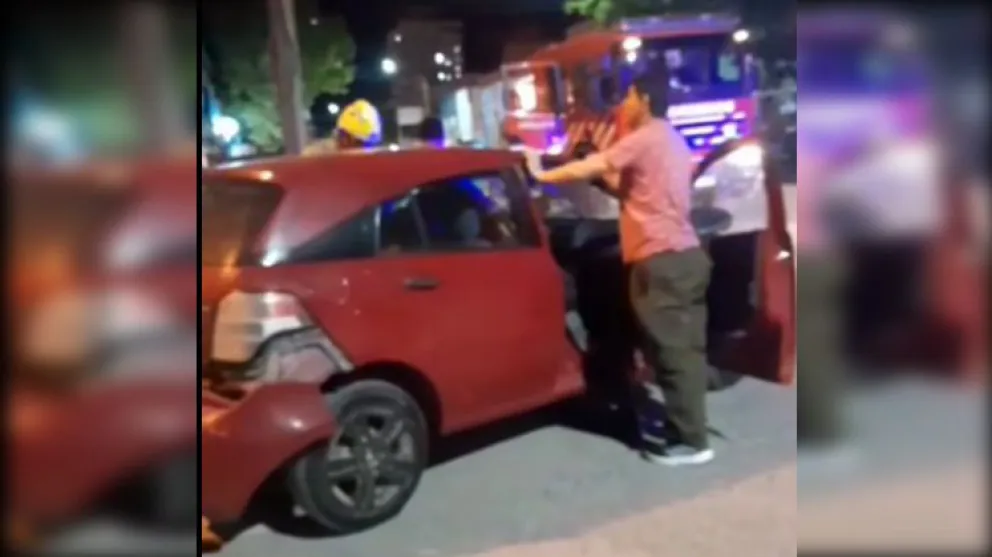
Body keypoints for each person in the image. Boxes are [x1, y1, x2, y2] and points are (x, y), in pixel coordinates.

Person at [524, 76, 713, 466]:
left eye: (627, 97)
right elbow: (631, 189)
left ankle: (692, 442)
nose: (622, 105)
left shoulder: (648, 136)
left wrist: (540, 173)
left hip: (662, 258)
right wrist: (598, 176)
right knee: (681, 350)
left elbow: (601, 162)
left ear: (643, 99)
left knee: (673, 352)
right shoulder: (670, 140)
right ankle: (686, 426)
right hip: (682, 255)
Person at [304, 99, 382, 155]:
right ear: (343, 137)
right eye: (360, 144)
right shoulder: (315, 159)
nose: (365, 151)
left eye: (369, 146)